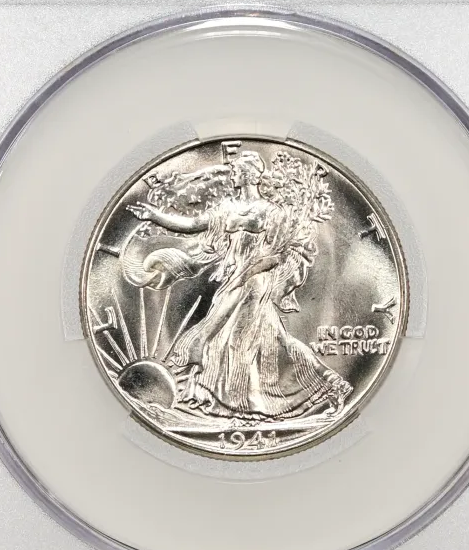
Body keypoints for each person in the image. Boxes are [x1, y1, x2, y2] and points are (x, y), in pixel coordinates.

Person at [128, 151, 352, 420]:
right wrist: (155, 217)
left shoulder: (273, 212)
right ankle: (325, 386)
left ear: (250, 175)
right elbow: (193, 224)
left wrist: (248, 274)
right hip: (234, 281)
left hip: (256, 281)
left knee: (237, 341)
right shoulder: (227, 209)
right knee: (265, 339)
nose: (232, 174)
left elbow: (278, 254)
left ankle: (251, 404)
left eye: (236, 171)